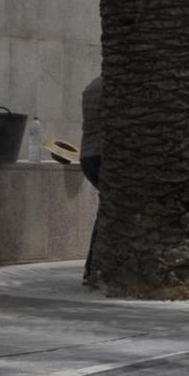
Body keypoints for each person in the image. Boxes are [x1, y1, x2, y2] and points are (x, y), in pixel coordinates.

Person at [81, 76, 102, 283]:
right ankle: (93, 266)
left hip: (88, 154)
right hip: (105, 154)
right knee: (109, 211)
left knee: (106, 210)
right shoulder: (115, 86)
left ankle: (92, 267)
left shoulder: (91, 86)